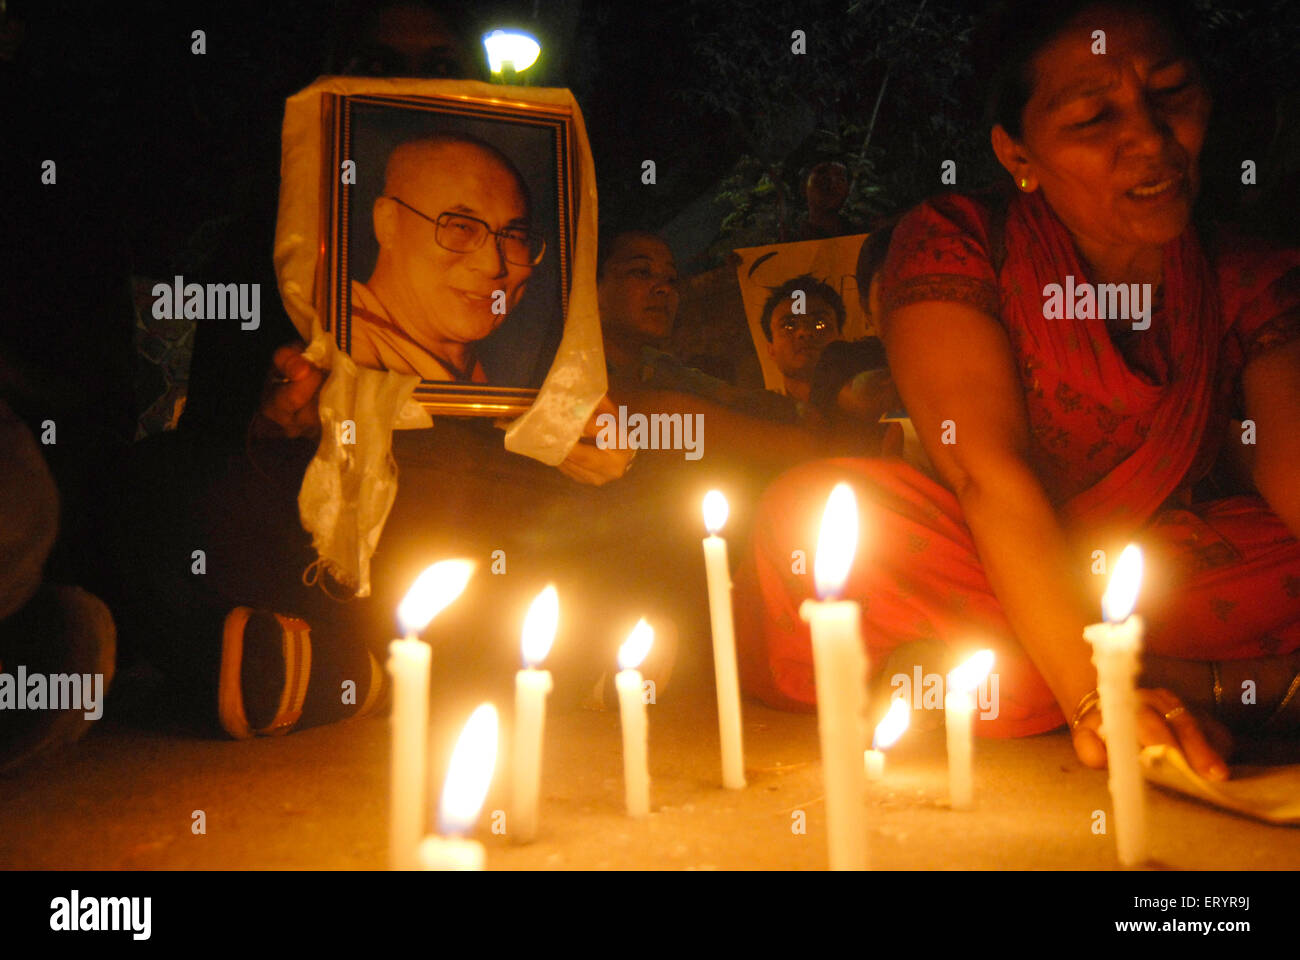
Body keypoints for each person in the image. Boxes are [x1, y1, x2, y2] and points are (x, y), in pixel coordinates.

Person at [735, 0, 1300, 780]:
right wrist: (1095, 694)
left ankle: (979, 676)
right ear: (1017, 152)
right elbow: (982, 471)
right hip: (981, 549)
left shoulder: (1249, 275)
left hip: (1149, 575)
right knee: (813, 511)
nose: (1152, 140)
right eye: (1095, 117)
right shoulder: (960, 241)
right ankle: (1218, 688)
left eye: (1171, 93)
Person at [349, 135, 544, 382]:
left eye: (514, 236)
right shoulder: (346, 354)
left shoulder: (508, 367)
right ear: (388, 223)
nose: (492, 266)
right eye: (462, 227)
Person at [758, 275, 847, 405]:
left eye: (820, 323)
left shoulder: (876, 409)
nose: (804, 332)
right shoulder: (758, 421)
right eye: (789, 325)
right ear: (771, 349)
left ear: (841, 338)